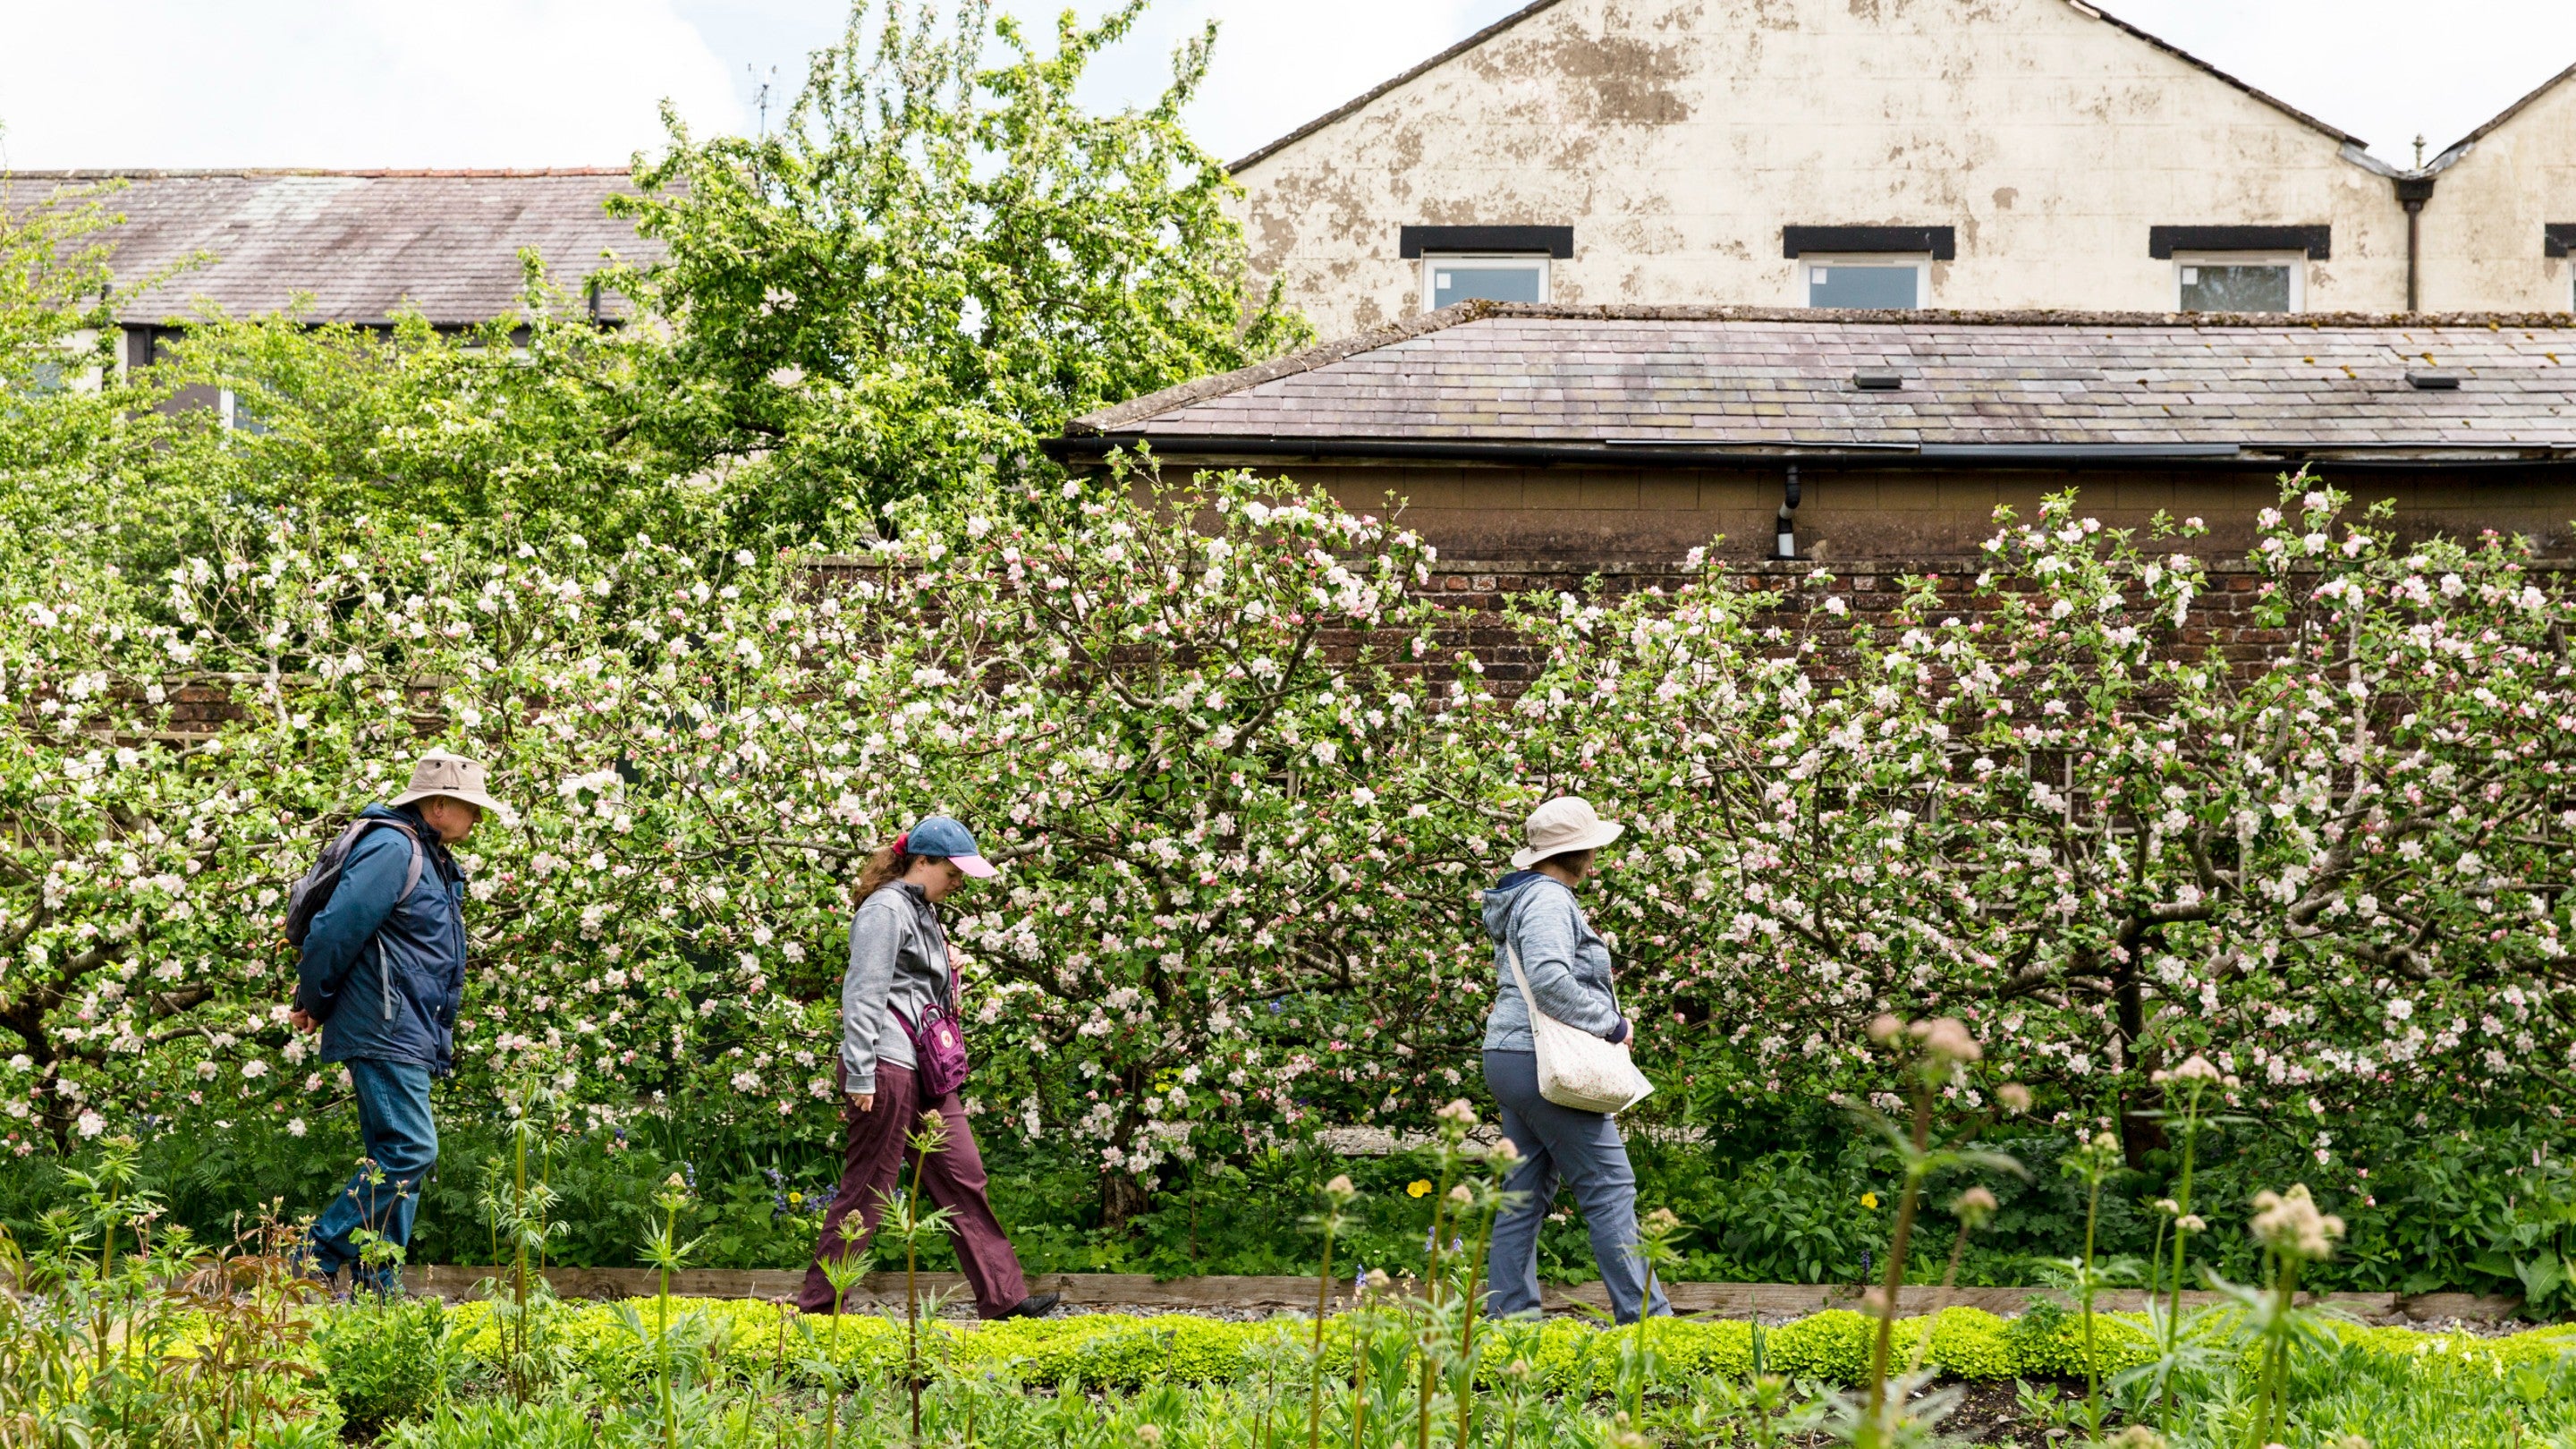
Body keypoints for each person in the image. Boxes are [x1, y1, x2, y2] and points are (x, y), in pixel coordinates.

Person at [799, 815, 1060, 1320]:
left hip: (928, 1071)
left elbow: (908, 981)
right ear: (922, 861)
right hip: (887, 1066)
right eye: (953, 871)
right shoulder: (885, 909)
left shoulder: (921, 911)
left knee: (965, 1175)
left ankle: (1004, 1297)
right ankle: (819, 1307)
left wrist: (946, 968)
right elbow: (864, 993)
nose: (958, 881)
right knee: (868, 1187)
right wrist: (859, 1073)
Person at [290, 749, 496, 1291]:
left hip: (402, 1024)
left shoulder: (428, 855)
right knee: (412, 1149)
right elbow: (334, 931)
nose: (478, 818)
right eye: (472, 807)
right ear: (440, 805)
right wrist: (314, 999)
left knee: (395, 1160)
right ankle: (311, 1254)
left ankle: (379, 1288)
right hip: (381, 1023)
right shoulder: (391, 848)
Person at [1479, 794, 1670, 1323]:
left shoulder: (1523, 897)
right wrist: (1612, 1025)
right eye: (1594, 850)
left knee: (1522, 1193)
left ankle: (1509, 1324)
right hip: (1541, 1061)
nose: (1596, 860)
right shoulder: (1549, 900)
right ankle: (1649, 1326)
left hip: (1513, 1057)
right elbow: (1548, 978)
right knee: (1610, 1188)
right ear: (1582, 852)